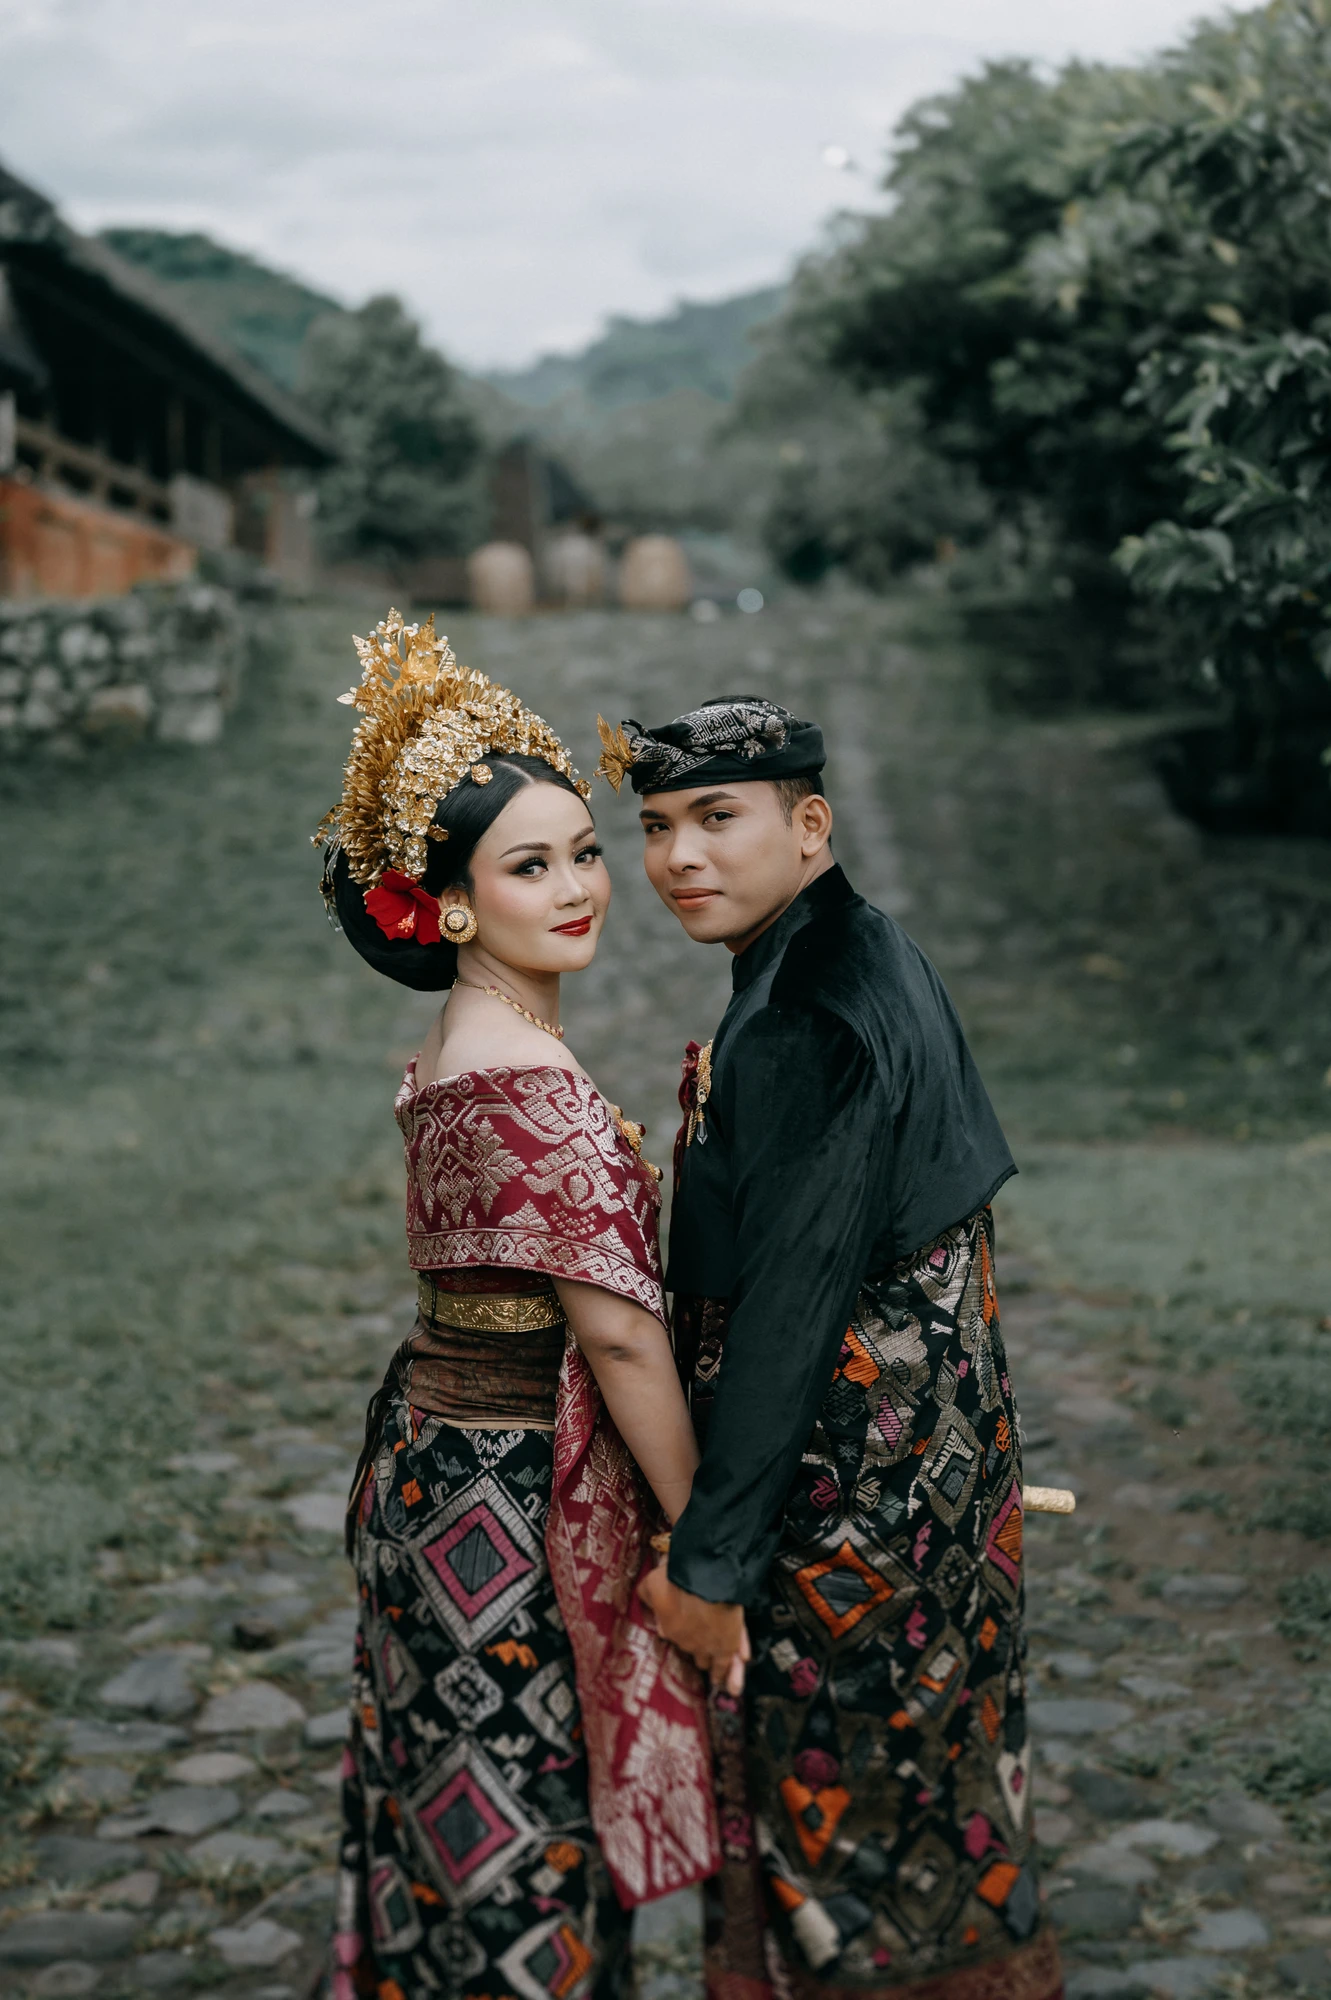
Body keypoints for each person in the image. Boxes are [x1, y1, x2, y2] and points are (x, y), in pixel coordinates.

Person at [596, 701, 1062, 2000]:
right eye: (656, 828)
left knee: (843, 1814)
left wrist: (711, 1563)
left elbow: (791, 1312)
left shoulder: (808, 1012)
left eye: (716, 818)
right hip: (940, 1483)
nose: (679, 857)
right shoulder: (863, 944)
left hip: (851, 1503)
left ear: (810, 825)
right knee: (934, 1776)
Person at [312, 613, 724, 2000]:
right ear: (448, 902)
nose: (579, 888)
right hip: (510, 1491)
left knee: (453, 1780)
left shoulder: (458, 1045)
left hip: (435, 1466)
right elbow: (616, 1332)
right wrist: (700, 1528)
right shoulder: (527, 1081)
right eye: (529, 866)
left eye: (585, 853)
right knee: (523, 1785)